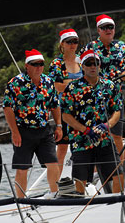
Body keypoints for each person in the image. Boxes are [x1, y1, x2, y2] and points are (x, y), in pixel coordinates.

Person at [61, 50, 124, 194]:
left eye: (95, 63)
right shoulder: (72, 88)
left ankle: (116, 206)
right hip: (81, 140)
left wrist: (107, 125)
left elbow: (117, 110)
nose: (92, 66)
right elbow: (66, 116)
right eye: (88, 64)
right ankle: (82, 208)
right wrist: (85, 130)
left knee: (118, 175)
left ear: (100, 65)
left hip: (105, 139)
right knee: (80, 180)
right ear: (82, 66)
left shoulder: (109, 85)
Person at [2, 49, 62, 198]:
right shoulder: (15, 83)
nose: (38, 67)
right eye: (34, 64)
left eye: (41, 64)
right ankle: (21, 201)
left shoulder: (48, 82)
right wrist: (14, 132)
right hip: (23, 131)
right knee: (22, 168)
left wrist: (59, 125)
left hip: (44, 130)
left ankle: (55, 195)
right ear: (27, 66)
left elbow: (55, 105)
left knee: (53, 163)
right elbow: (7, 107)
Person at [81, 14, 125, 158]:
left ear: (114, 29)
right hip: (95, 98)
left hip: (117, 96)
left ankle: (121, 168)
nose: (108, 30)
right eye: (104, 27)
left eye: (110, 27)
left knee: (117, 134)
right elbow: (83, 72)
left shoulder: (122, 46)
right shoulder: (90, 47)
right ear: (98, 30)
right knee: (97, 135)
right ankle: (99, 171)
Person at [48, 29, 82, 177]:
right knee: (62, 149)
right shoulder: (57, 63)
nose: (73, 45)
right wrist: (77, 84)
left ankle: (84, 181)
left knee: (83, 147)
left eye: (75, 41)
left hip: (83, 110)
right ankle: (55, 185)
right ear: (62, 44)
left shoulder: (81, 60)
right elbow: (55, 86)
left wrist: (68, 83)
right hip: (64, 110)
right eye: (69, 42)